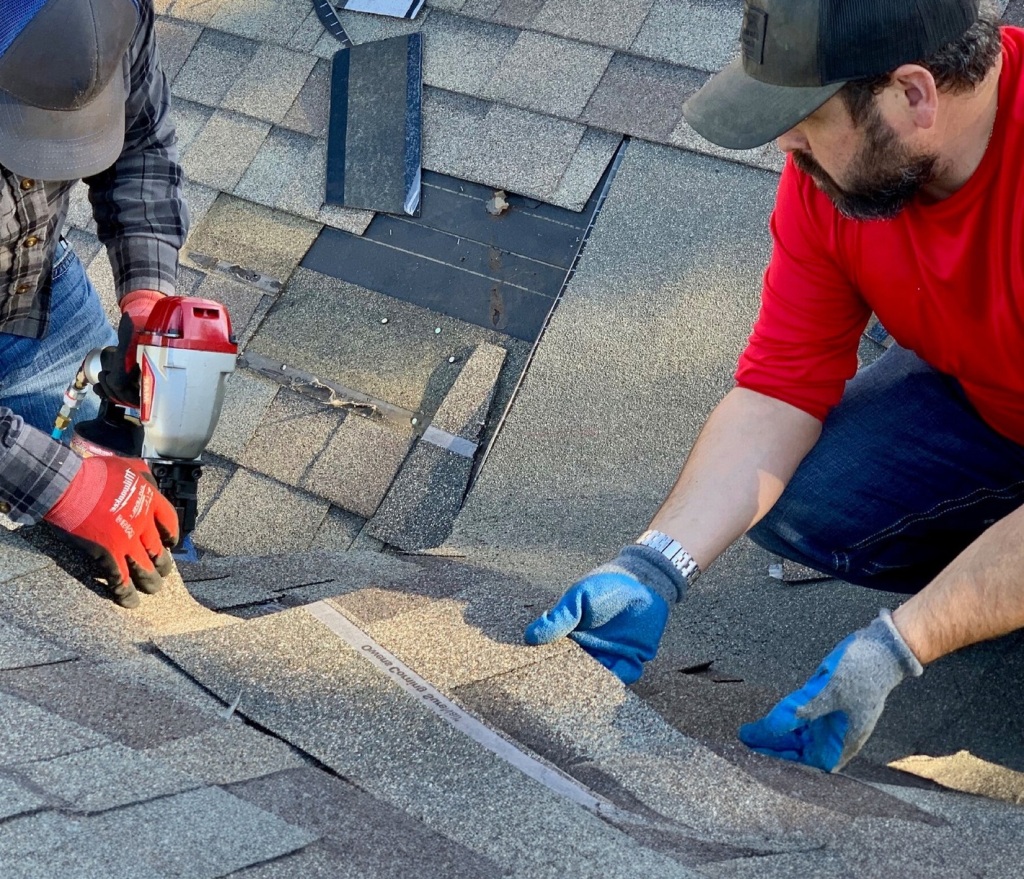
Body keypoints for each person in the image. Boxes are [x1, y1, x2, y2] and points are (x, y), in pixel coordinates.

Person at [526, 0, 1024, 773]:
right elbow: (780, 389)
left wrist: (904, 641)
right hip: (997, 400)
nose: (787, 146)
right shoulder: (835, 180)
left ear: (915, 94)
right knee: (808, 499)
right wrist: (654, 565)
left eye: (806, 120)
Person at [0, 0, 184, 608]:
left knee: (137, 520)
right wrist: (64, 491)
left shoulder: (112, 11)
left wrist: (146, 294)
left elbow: (139, 144)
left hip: (36, 293)